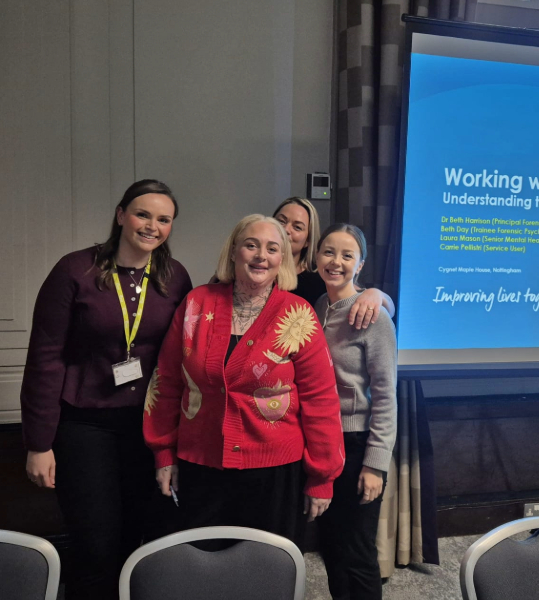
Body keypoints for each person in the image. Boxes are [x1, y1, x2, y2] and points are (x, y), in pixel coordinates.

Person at [21, 179, 193, 599]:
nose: (151, 225)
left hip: (146, 428)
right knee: (95, 543)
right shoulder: (74, 271)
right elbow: (45, 358)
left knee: (139, 536)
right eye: (142, 214)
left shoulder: (174, 277)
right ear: (121, 215)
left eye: (163, 219)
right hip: (85, 426)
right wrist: (38, 443)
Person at [143, 214, 344, 549]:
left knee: (266, 573)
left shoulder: (299, 314)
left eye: (271, 248)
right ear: (234, 251)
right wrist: (164, 453)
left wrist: (322, 477)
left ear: (282, 259)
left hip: (275, 471)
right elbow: (166, 382)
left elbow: (321, 399)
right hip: (200, 465)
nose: (260, 255)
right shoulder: (196, 303)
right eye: (251, 245)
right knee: (203, 573)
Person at [314, 224, 398, 600]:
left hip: (357, 442)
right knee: (331, 544)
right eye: (329, 252)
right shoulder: (317, 307)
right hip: (322, 441)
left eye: (347, 255)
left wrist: (375, 464)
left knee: (358, 550)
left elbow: (385, 395)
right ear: (317, 257)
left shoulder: (374, 316)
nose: (336, 262)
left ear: (360, 264)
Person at [273, 197, 395, 327]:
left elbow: (389, 308)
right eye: (281, 221)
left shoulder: (322, 277)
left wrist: (374, 293)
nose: (285, 229)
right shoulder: (256, 272)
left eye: (297, 227)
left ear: (308, 240)